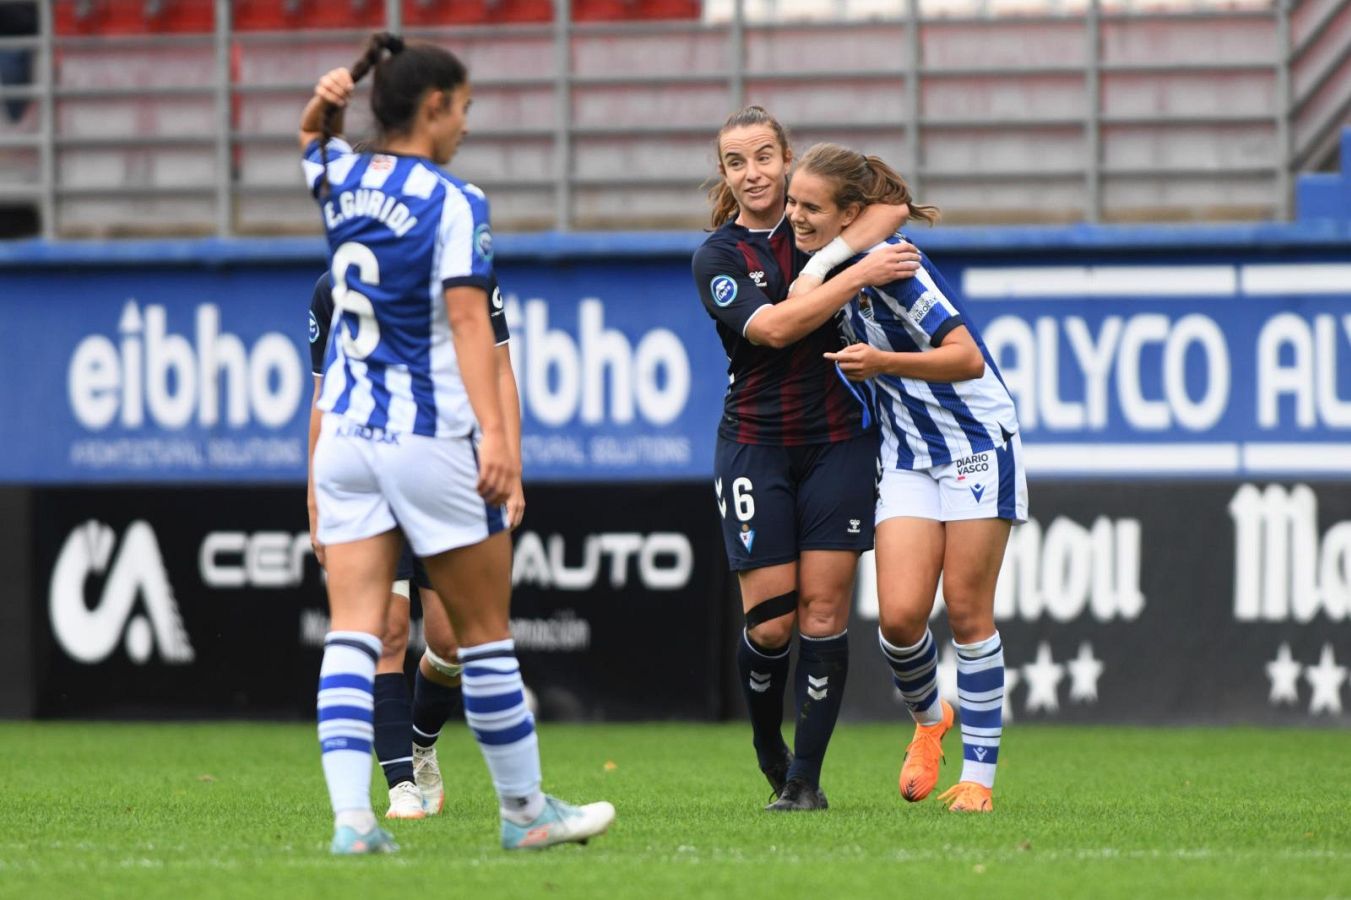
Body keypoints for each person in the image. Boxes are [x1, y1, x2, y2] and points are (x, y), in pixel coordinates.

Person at [299, 32, 612, 853]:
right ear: (432, 106)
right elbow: (471, 322)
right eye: (464, 106)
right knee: (482, 632)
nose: (467, 123)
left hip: (346, 435)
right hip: (425, 435)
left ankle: (354, 823)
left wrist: (329, 102)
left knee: (353, 631)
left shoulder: (338, 176)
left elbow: (309, 139)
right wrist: (498, 438)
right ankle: (525, 813)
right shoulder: (452, 198)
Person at [691, 106, 921, 812]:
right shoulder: (719, 257)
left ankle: (804, 782)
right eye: (738, 162)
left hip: (837, 442)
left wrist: (830, 256)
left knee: (824, 615)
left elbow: (895, 204)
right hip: (755, 446)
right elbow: (775, 327)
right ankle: (769, 748)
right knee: (770, 626)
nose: (754, 173)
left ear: (787, 158)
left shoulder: (814, 226)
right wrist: (854, 275)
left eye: (765, 156)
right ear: (724, 176)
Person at [787, 142, 1027, 814]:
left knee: (968, 613)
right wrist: (839, 260)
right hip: (907, 453)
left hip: (976, 443)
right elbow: (829, 265)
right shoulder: (835, 263)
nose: (796, 217)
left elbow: (967, 359)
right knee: (896, 619)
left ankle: (977, 779)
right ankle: (930, 719)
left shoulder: (897, 272)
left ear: (847, 214)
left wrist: (883, 362)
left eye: (810, 207)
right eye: (793, 203)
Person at [306, 273, 526, 821]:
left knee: (452, 644)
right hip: (368, 471)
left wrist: (512, 466)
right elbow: (322, 395)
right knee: (386, 631)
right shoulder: (334, 286)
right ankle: (399, 783)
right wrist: (314, 495)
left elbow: (499, 370)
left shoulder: (460, 272)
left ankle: (422, 743)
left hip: (445, 467)